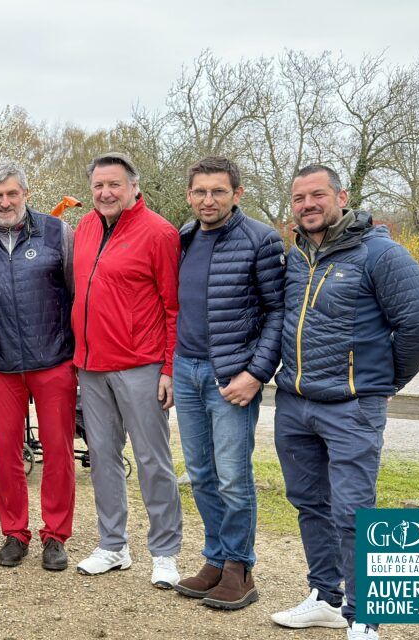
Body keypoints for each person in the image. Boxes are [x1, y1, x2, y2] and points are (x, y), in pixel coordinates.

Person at [268, 165, 419, 640]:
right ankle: (326, 596)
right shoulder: (297, 256)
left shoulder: (382, 254)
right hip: (295, 402)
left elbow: (418, 330)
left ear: (341, 197)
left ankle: (365, 617)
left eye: (317, 195)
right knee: (309, 503)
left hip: (352, 407)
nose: (307, 204)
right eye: (299, 198)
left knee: (354, 512)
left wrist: (382, 382)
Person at [171, 156, 284, 609]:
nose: (208, 200)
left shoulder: (261, 239)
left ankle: (240, 568)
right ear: (189, 195)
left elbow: (278, 312)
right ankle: (215, 559)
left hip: (231, 376)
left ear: (237, 194)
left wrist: (255, 374)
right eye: (200, 191)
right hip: (186, 370)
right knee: (200, 474)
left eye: (218, 191)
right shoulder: (184, 237)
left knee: (233, 476)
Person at [70, 152, 184, 588]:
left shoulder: (159, 233)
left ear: (134, 186)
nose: (105, 193)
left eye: (114, 184)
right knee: (102, 457)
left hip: (141, 364)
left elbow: (173, 306)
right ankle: (113, 544)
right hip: (91, 365)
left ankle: (165, 551)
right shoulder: (84, 226)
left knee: (153, 460)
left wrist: (169, 367)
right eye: (98, 185)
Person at [0, 160, 78, 571]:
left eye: (12, 193)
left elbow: (76, 295)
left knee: (59, 451)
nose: (5, 202)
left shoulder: (57, 232)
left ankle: (55, 535)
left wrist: (78, 355)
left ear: (26, 194)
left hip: (54, 360)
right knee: (6, 452)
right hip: (0, 363)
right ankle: (14, 532)